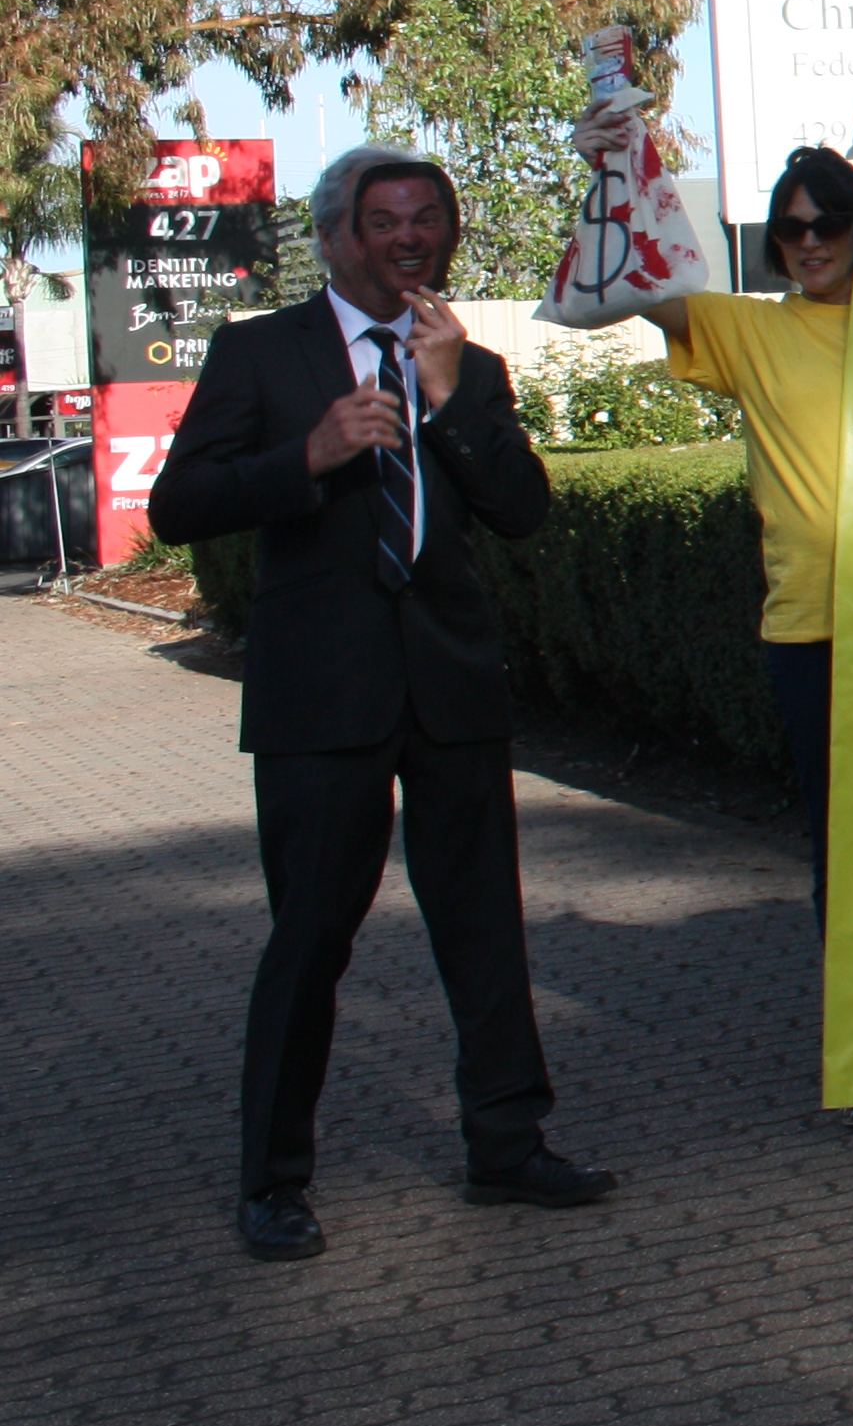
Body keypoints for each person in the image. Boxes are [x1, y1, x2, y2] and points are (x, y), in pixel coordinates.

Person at [150, 145, 608, 1261]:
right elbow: (178, 506)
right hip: (323, 701)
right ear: (337, 235)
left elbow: (522, 511)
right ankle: (272, 1180)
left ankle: (507, 1143)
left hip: (450, 688)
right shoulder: (261, 353)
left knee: (486, 932)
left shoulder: (470, 363)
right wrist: (305, 455)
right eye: (385, 219)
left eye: (428, 219)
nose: (409, 237)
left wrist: (452, 403)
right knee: (309, 939)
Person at [640, 149, 853, 1010]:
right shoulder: (750, 329)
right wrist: (617, 166)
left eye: (829, 224)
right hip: (814, 629)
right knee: (844, 842)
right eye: (791, 229)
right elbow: (629, 289)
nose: (811, 242)